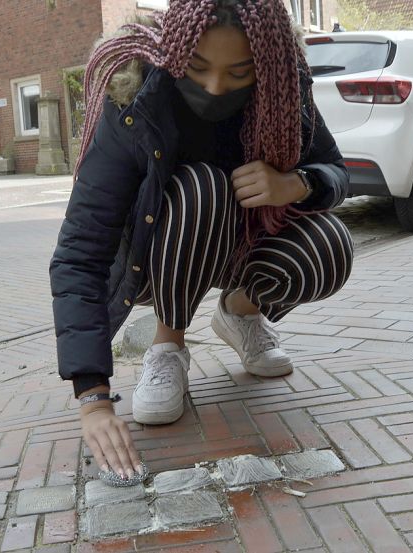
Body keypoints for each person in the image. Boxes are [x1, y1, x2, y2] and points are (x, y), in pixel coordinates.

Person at [50, 0, 353, 481]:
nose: (215, 87)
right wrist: (93, 398)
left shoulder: (283, 88)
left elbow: (335, 170)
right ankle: (167, 346)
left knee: (331, 245)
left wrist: (296, 183)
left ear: (265, 63)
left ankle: (240, 314)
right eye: (197, 68)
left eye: (238, 73)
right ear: (174, 51)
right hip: (154, 260)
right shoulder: (135, 97)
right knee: (202, 187)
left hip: (241, 246)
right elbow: (80, 252)